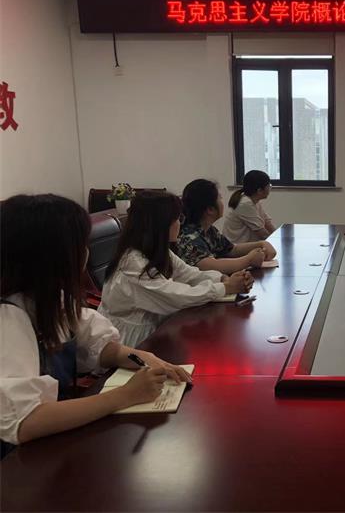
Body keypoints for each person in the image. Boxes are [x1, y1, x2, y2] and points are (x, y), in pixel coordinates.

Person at [0, 194, 192, 449]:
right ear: (51, 256)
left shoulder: (50, 300)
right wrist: (125, 395)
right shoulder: (8, 317)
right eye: (80, 244)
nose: (86, 253)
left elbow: (99, 345)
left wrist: (145, 358)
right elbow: (27, 421)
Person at [99, 191, 253, 347]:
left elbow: (189, 274)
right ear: (161, 225)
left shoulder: (158, 251)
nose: (180, 224)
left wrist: (223, 279)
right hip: (127, 342)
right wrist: (225, 287)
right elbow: (176, 296)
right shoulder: (133, 263)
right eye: (177, 219)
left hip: (155, 330)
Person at [178, 178, 276, 273]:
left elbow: (232, 249)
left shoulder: (209, 230)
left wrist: (261, 244)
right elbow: (210, 266)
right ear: (210, 210)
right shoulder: (189, 236)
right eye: (220, 198)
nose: (222, 202)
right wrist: (248, 260)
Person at [222, 170, 276, 243]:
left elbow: (267, 222)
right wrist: (275, 242)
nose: (270, 188)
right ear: (259, 191)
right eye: (268, 186)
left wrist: (278, 236)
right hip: (235, 247)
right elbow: (262, 233)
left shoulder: (255, 201)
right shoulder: (245, 204)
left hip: (245, 245)